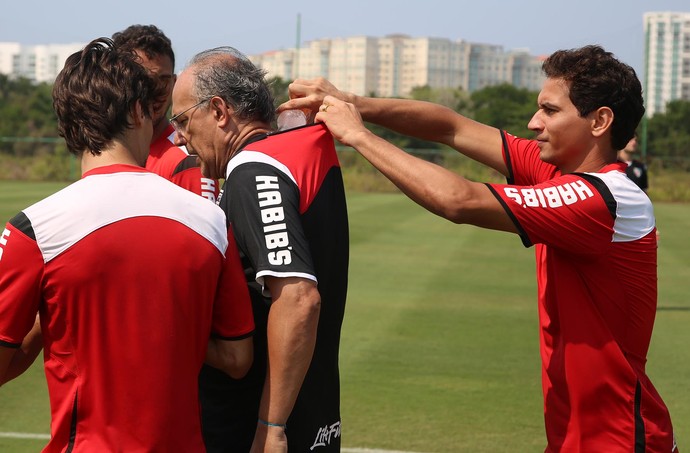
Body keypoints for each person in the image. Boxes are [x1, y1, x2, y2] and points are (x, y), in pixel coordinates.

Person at [280, 45, 678, 452]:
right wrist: (354, 103)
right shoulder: (558, 171)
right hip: (577, 439)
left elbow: (460, 200)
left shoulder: (602, 199)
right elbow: (452, 127)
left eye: (550, 110)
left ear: (600, 121)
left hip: (620, 441)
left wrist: (358, 135)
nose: (534, 122)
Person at [0, 38, 255, 452]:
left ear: (68, 124)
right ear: (139, 112)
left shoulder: (33, 230)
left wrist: (57, 318)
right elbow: (237, 359)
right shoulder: (210, 220)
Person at [171, 47, 349, 452]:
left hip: (261, 425)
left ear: (218, 111)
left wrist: (271, 427)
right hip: (316, 414)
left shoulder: (254, 169)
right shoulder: (296, 151)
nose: (180, 138)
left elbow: (300, 300)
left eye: (183, 121)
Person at [112, 24, 219, 202]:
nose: (156, 92)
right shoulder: (112, 154)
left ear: (174, 82)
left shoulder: (187, 160)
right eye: (145, 81)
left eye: (164, 81)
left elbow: (205, 230)